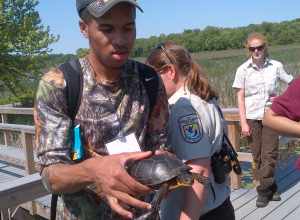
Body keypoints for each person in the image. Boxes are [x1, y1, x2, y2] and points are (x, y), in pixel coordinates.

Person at [34, 0, 169, 219]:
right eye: (107, 29)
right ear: (84, 28)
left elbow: (161, 148)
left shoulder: (150, 79)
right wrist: (94, 171)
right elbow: (51, 176)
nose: (120, 40)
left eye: (128, 27)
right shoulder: (59, 84)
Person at [146, 41, 234, 220]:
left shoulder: (182, 109)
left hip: (198, 211)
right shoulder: (205, 97)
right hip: (219, 204)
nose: (152, 83)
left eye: (153, 76)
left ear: (170, 72)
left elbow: (198, 170)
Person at [232, 32, 293, 208]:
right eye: (253, 48)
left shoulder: (276, 66)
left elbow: (292, 83)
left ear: (265, 47)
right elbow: (240, 98)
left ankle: (263, 192)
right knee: (257, 155)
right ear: (248, 50)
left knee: (270, 154)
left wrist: (284, 103)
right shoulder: (242, 70)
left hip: (272, 116)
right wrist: (243, 122)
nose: (257, 51)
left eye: (260, 47)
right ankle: (271, 187)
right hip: (251, 117)